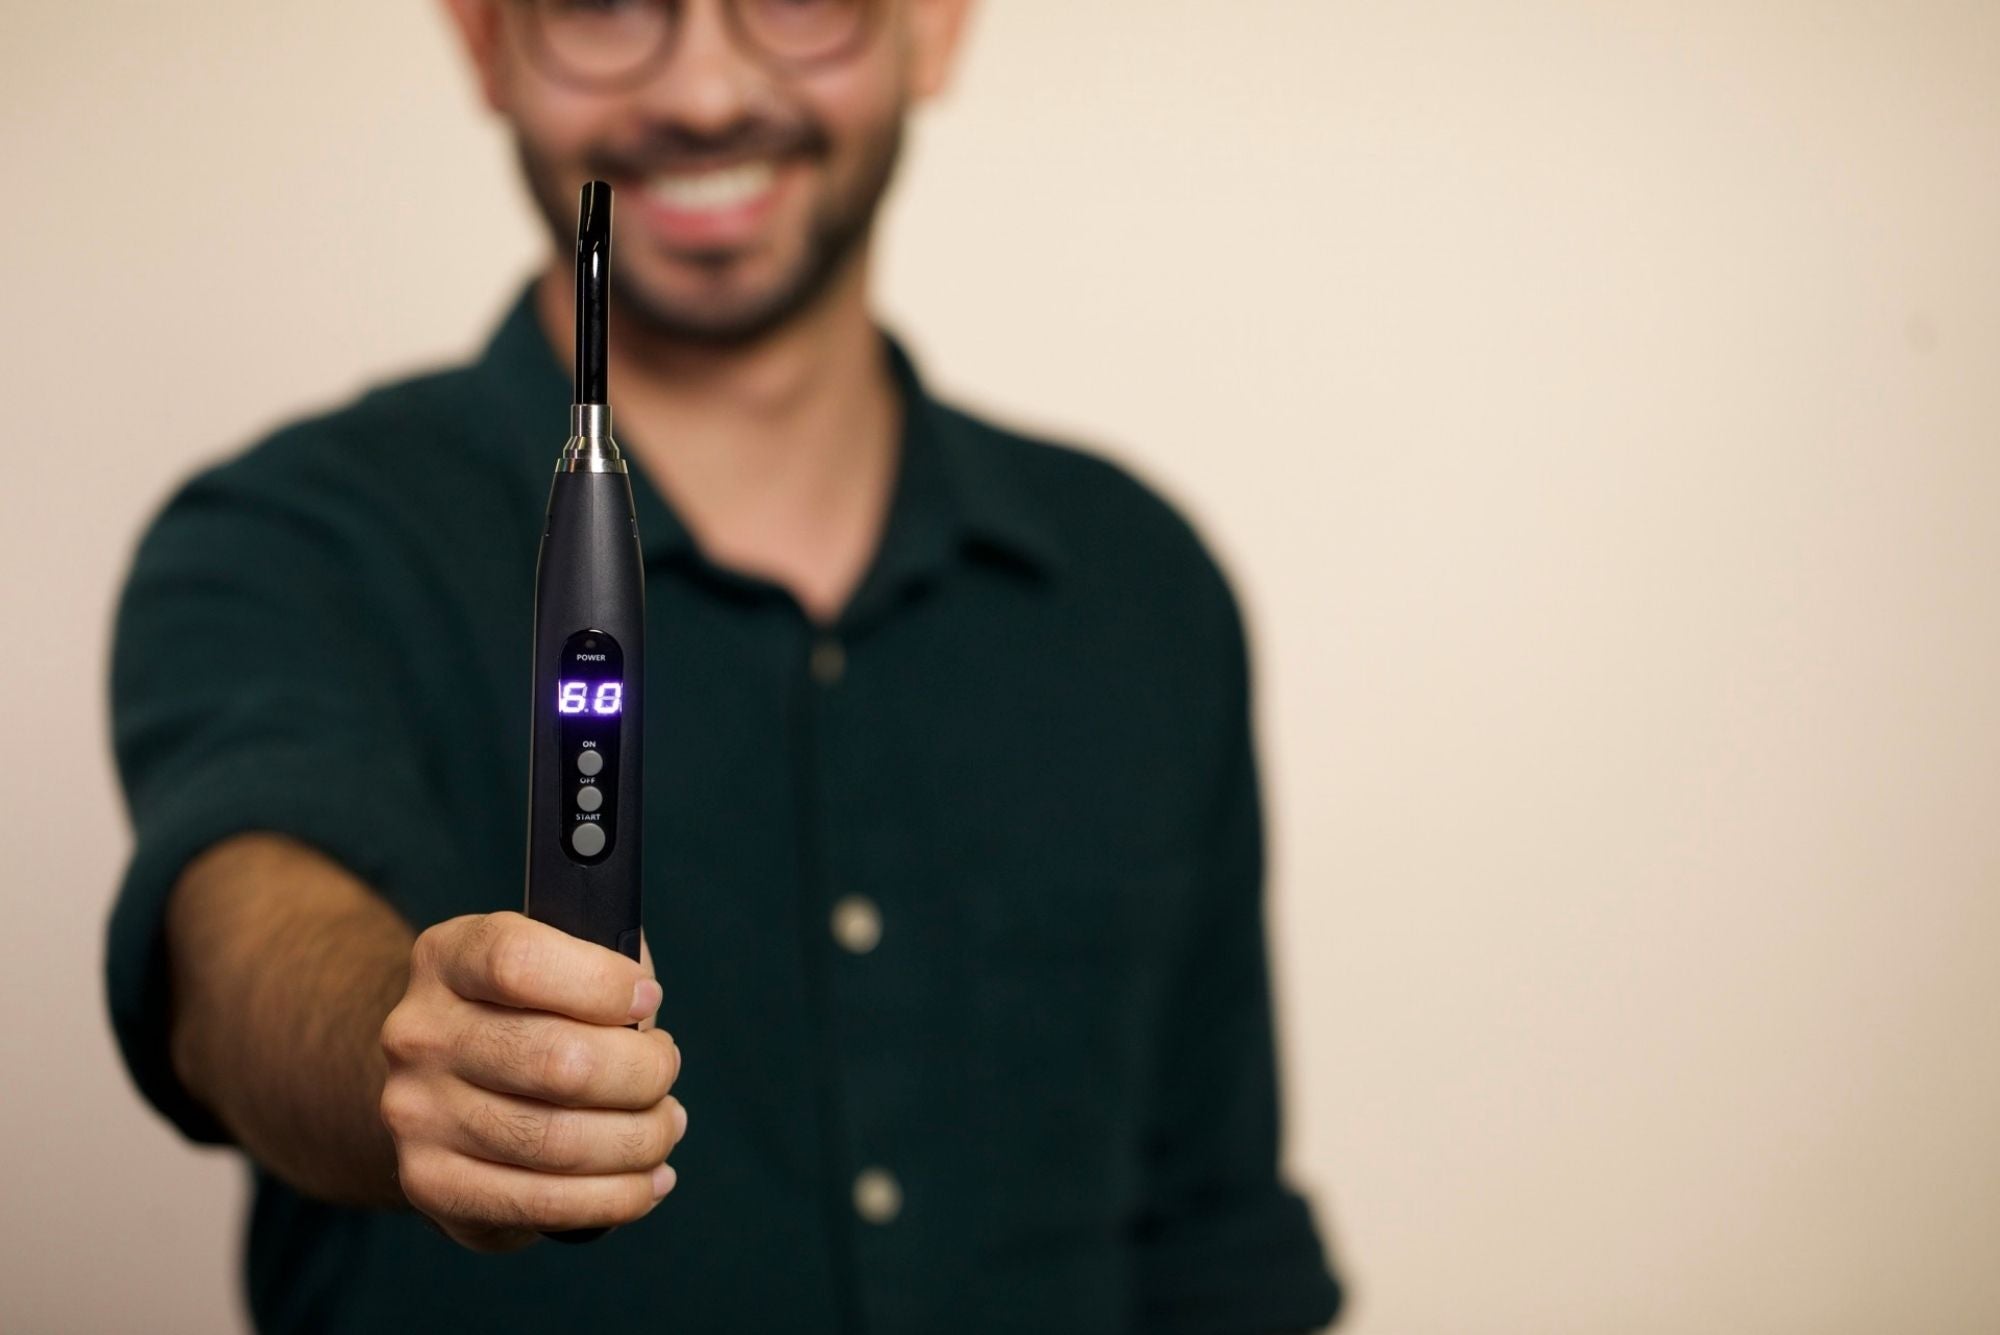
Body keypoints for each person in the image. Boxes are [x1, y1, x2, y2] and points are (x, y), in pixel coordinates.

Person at [104, 1, 1343, 1330]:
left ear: (933, 27)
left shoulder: (1137, 580)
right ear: (482, 41)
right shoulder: (294, 540)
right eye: (603, 6)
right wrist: (403, 1053)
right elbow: (236, 944)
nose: (701, 92)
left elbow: (1215, 1243)